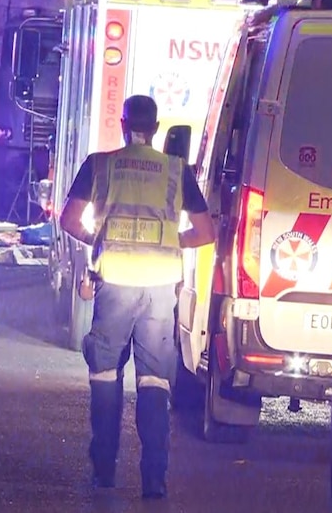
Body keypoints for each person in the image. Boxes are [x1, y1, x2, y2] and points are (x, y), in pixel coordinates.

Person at [58, 95, 215, 500]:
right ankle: (154, 479)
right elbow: (204, 233)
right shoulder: (176, 171)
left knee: (106, 374)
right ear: (157, 128)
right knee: (155, 380)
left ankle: (105, 472)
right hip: (160, 290)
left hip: (115, 284)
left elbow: (70, 219)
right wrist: (168, 242)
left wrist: (102, 239)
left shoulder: (101, 164)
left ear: (124, 124)